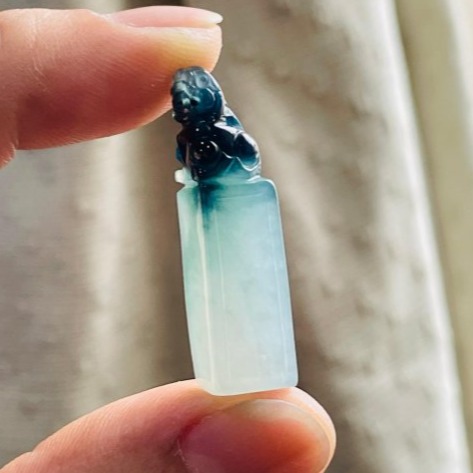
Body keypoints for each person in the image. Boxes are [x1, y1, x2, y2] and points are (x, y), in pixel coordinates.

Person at [0, 6, 335, 473]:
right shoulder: (204, 172)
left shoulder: (235, 158)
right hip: (213, 195)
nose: (185, 110)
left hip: (226, 191)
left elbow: (240, 156)